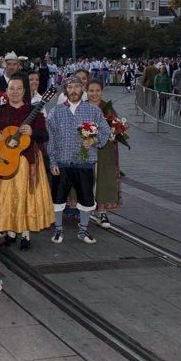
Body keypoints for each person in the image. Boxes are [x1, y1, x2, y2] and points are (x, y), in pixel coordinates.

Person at [0, 73, 53, 250]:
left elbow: (44, 135)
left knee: (25, 197)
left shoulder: (34, 111)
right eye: (11, 88)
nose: (15, 92)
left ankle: (24, 233)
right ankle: (10, 231)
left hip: (27, 160)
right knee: (6, 197)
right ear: (6, 91)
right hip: (4, 161)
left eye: (19, 89)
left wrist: (32, 132)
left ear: (25, 91)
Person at [47, 76, 111, 244]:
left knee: (86, 198)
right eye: (70, 87)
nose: (73, 90)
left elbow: (105, 131)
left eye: (77, 87)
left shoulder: (93, 111)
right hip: (62, 163)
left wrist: (94, 140)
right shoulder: (56, 112)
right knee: (58, 199)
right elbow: (51, 140)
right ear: (65, 90)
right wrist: (52, 162)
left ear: (82, 89)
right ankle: (58, 230)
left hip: (85, 163)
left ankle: (83, 231)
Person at [86, 80, 123, 229]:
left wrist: (115, 130)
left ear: (102, 92)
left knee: (102, 179)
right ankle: (85, 210)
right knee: (85, 178)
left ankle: (102, 211)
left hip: (104, 150)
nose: (94, 94)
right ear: (86, 92)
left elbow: (116, 126)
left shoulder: (107, 108)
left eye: (97, 91)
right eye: (91, 91)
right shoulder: (82, 107)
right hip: (86, 148)